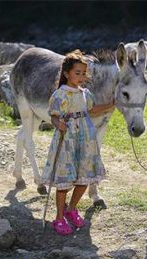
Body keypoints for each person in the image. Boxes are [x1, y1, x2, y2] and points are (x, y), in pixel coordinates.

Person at [41, 50, 114, 235]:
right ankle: (58, 218)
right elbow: (53, 116)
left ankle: (71, 209)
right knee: (65, 181)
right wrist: (59, 124)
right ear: (67, 74)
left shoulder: (85, 93)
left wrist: (112, 104)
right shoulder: (60, 94)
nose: (82, 77)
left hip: (86, 140)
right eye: (78, 73)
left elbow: (93, 109)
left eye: (84, 73)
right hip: (67, 141)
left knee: (84, 176)